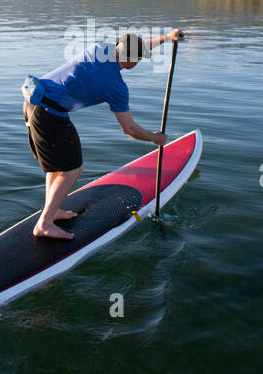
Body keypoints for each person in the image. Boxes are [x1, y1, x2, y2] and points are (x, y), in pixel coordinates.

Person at [22, 28, 185, 239]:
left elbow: (138, 46)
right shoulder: (115, 85)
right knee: (72, 170)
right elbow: (129, 129)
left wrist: (167, 38)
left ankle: (52, 212)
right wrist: (154, 138)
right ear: (133, 60)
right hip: (48, 114)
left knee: (58, 167)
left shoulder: (102, 48)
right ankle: (44, 223)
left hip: (32, 102)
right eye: (139, 58)